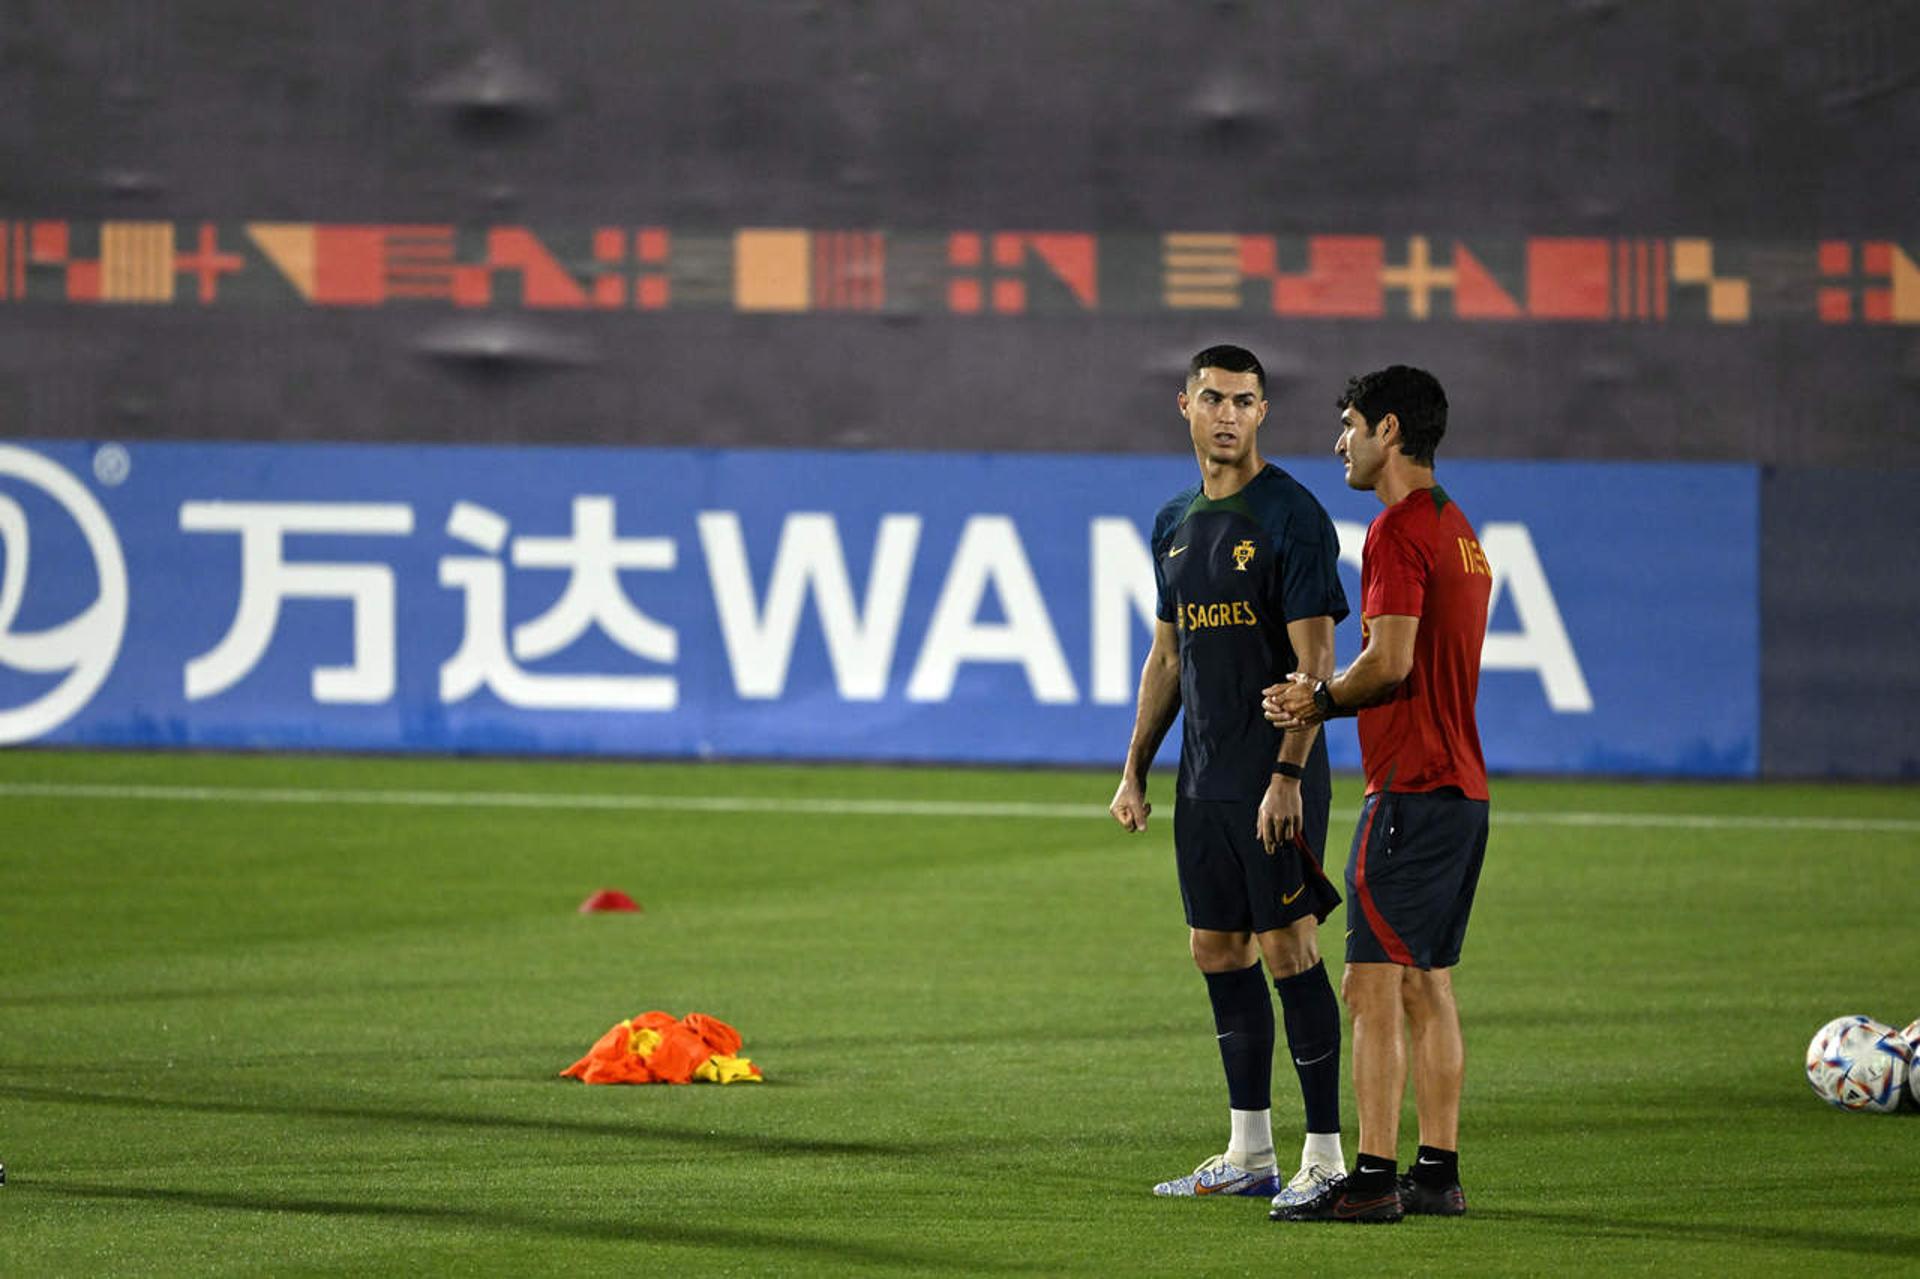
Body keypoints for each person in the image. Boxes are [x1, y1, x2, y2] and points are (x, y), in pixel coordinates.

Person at [1110, 343, 1350, 1209]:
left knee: (1291, 949)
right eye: (1211, 398)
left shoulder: (1291, 515)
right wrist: (1136, 767)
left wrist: (1289, 773)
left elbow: (1317, 659)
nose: (1226, 414)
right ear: (1185, 406)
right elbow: (1168, 656)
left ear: (1262, 413)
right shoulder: (1173, 521)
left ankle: (1324, 1155)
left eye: (1243, 401)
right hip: (1202, 779)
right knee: (1215, 947)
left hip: (1275, 777)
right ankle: (1251, 1150)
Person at [1263, 365, 1490, 1225]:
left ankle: (1369, 1180)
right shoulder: (1458, 528)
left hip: (1411, 789)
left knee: (1367, 985)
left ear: (1388, 429)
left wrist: (1316, 698)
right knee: (1426, 983)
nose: (1340, 443)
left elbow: (1390, 663)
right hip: (1463, 790)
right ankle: (1435, 1171)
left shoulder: (1396, 531)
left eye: (1349, 424)